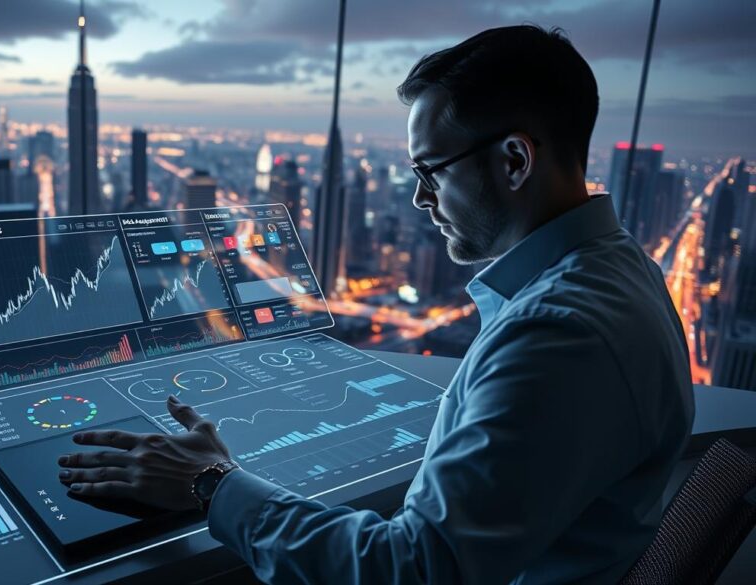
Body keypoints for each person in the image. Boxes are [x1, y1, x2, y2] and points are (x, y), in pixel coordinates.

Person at [57, 25, 694, 584]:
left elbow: (412, 571)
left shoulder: (558, 335)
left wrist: (209, 483)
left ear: (516, 160)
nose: (420, 200)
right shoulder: (625, 271)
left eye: (431, 171)